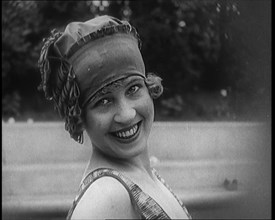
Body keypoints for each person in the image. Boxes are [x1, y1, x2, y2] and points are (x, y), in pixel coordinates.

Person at [38, 15, 191, 220]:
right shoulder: (106, 198)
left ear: (149, 86)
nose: (127, 114)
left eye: (133, 88)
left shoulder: (146, 178)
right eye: (103, 101)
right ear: (79, 116)